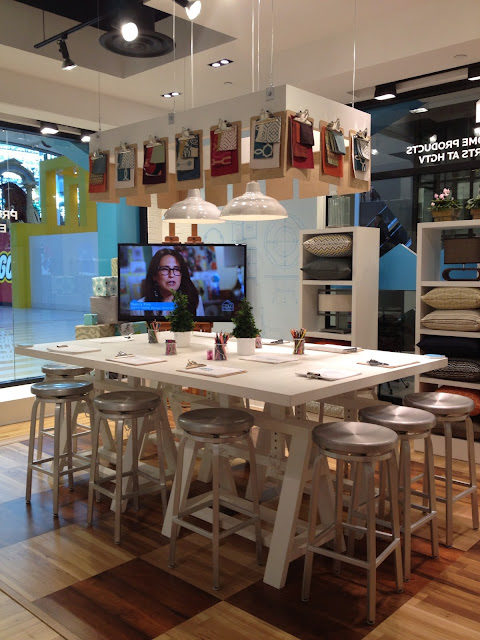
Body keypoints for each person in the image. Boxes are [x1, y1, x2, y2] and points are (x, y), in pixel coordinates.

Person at [138, 248, 204, 317]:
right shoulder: (140, 307)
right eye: (165, 269)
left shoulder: (194, 301)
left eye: (176, 269)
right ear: (154, 275)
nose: (171, 275)